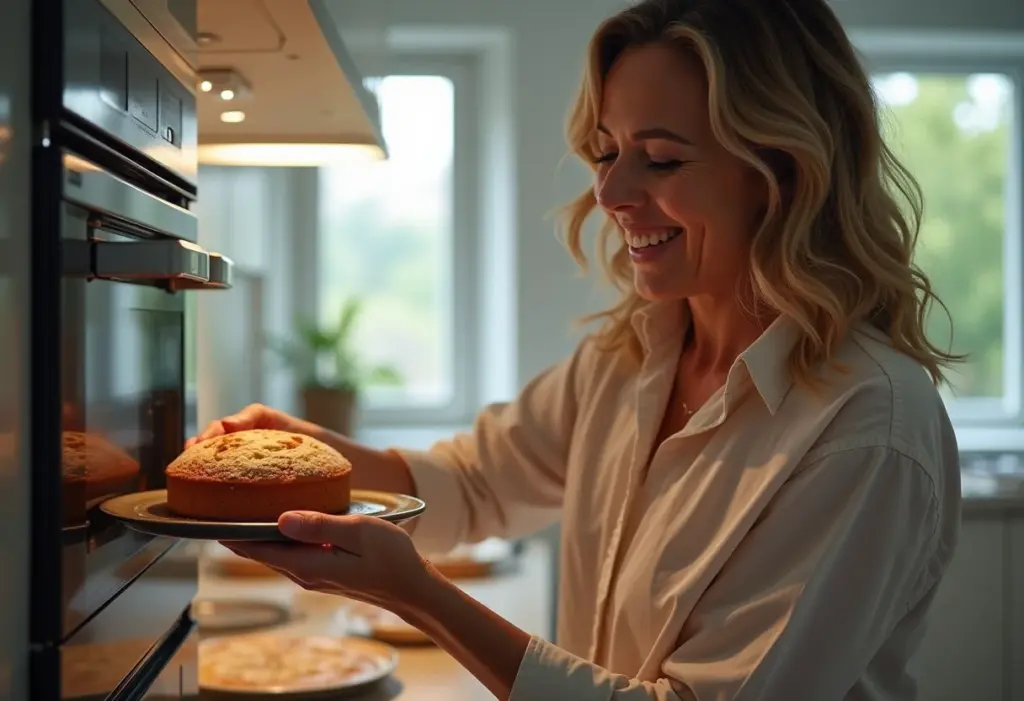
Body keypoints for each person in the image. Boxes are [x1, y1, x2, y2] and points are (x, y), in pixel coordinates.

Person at [193, 0, 963, 698]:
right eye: (606, 151)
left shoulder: (867, 427)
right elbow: (474, 483)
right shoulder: (630, 358)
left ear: (784, 173)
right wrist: (313, 456)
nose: (611, 192)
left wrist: (419, 596)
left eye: (659, 158)